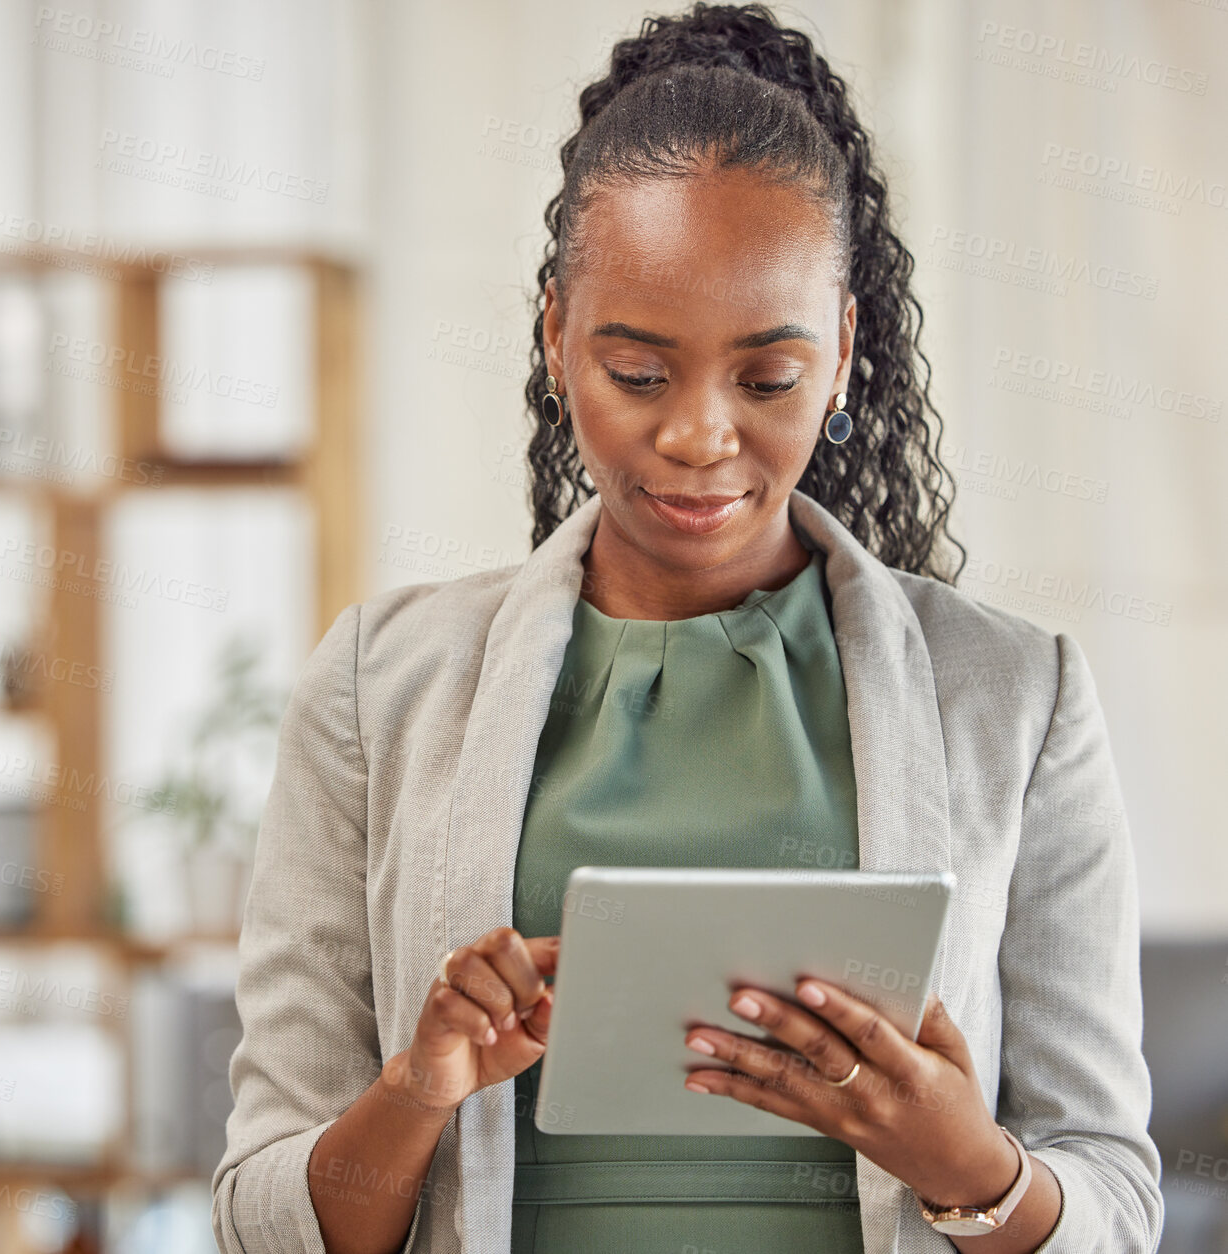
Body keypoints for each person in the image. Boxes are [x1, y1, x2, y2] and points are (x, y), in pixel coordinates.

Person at [210, 4, 1163, 1252]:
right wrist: (416, 1091)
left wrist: (966, 1167)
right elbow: (254, 1220)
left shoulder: (1012, 697)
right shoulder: (377, 688)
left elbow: (1118, 1206)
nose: (699, 436)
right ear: (556, 336)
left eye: (765, 378)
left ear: (839, 356)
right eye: (639, 373)